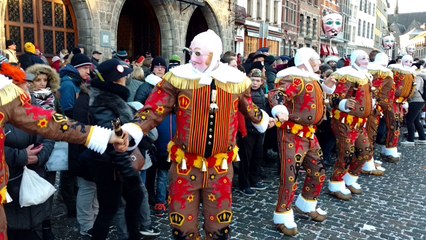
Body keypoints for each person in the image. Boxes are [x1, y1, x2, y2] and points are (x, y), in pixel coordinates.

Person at [125, 29, 272, 239]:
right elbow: (154, 109)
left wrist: (265, 119)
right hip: (185, 165)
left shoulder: (235, 80)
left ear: (214, 53)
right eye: (191, 52)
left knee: (219, 226)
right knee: (183, 227)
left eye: (198, 53)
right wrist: (135, 128)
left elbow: (249, 108)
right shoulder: (177, 78)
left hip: (220, 168)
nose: (192, 58)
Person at [0, 62, 128, 240]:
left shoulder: (9, 102)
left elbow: (49, 122)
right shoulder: (9, 99)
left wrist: (104, 136)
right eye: (21, 82)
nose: (26, 87)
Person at [268, 47, 335, 236]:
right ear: (306, 60)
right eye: (316, 60)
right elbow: (276, 94)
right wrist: (279, 108)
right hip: (291, 134)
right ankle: (282, 213)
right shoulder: (296, 78)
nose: (320, 62)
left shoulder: (313, 80)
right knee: (289, 177)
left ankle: (306, 203)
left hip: (310, 134)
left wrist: (328, 87)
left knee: (318, 172)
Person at [86, 58, 143, 240]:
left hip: (115, 165)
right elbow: (113, 142)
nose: (126, 80)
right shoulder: (103, 102)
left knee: (131, 202)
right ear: (115, 81)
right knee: (108, 210)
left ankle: (133, 235)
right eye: (124, 77)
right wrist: (129, 175)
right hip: (110, 167)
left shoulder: (112, 98)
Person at [328, 50, 373, 200]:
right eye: (362, 58)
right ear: (354, 60)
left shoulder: (366, 76)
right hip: (344, 122)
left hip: (360, 123)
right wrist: (343, 103)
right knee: (345, 153)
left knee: (366, 151)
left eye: (367, 58)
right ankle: (336, 181)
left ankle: (350, 177)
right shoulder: (347, 75)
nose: (366, 61)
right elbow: (334, 97)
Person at [237, 68, 268, 197]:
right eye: (253, 80)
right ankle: (244, 184)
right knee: (246, 158)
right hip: (248, 130)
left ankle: (254, 179)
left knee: (257, 156)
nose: (255, 83)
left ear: (262, 82)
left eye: (258, 80)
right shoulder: (245, 93)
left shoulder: (262, 92)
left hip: (259, 129)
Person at [362, 52, 394, 175]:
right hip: (373, 108)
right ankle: (366, 162)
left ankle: (368, 160)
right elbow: (380, 92)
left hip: (368, 107)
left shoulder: (368, 71)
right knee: (369, 135)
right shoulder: (383, 74)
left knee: (368, 135)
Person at [383, 55, 416, 162]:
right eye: (406, 61)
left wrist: (405, 101)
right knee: (394, 125)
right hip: (393, 102)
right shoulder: (396, 71)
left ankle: (390, 147)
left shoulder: (411, 73)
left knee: (397, 125)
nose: (408, 63)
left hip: (400, 103)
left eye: (410, 61)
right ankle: (390, 148)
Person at [400, 60, 426, 146]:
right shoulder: (416, 76)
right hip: (418, 101)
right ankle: (422, 138)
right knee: (416, 120)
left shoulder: (417, 77)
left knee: (409, 120)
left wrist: (405, 91)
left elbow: (415, 89)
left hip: (416, 100)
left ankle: (410, 140)